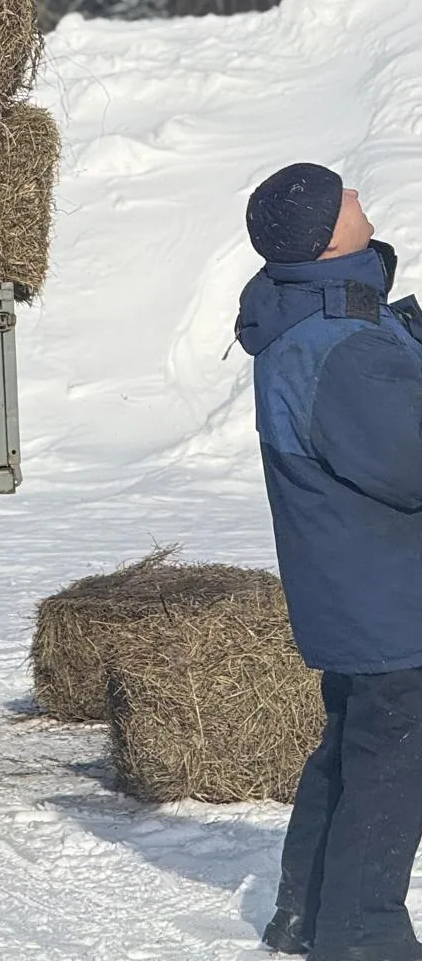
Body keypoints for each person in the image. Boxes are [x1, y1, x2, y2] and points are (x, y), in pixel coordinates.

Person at [237, 163, 422, 961]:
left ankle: (306, 913)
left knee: (355, 747)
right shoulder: (334, 343)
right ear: (320, 236)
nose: (356, 197)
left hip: (360, 591)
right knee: (394, 767)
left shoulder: (327, 318)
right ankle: (363, 935)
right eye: (340, 195)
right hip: (389, 601)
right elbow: (410, 462)